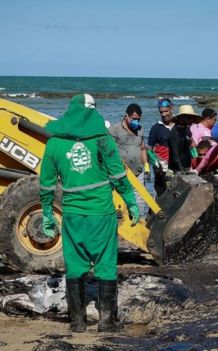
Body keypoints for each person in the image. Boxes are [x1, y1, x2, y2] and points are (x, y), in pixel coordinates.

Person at [40, 94, 139, 333]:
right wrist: (130, 202)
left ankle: (77, 322)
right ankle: (106, 322)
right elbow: (117, 175)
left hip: (72, 216)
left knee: (75, 267)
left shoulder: (54, 143)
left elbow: (46, 185)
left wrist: (46, 214)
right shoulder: (103, 140)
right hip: (102, 214)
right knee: (106, 266)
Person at [108, 103, 149, 215]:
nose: (136, 122)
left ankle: (141, 222)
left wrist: (146, 165)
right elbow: (107, 151)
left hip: (138, 172)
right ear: (126, 116)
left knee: (140, 201)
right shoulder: (115, 129)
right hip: (120, 173)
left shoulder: (140, 129)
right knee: (120, 203)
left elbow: (143, 148)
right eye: (134, 119)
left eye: (138, 119)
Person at [147, 98, 174, 196]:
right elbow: (149, 149)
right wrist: (155, 162)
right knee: (161, 192)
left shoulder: (179, 125)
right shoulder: (156, 128)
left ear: (171, 108)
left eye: (166, 111)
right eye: (161, 112)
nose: (164, 114)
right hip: (161, 167)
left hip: (177, 166)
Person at [168, 105, 198, 172]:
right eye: (189, 118)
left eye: (192, 118)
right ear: (181, 117)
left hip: (186, 166)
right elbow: (175, 155)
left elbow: (190, 146)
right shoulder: (175, 133)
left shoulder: (186, 129)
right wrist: (182, 171)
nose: (191, 120)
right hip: (176, 169)